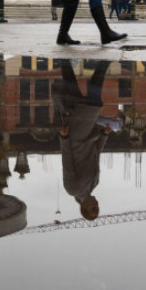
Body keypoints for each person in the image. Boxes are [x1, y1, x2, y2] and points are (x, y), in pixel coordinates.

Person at [54, 59, 113, 220]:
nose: (96, 205)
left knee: (93, 102)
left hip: (77, 136)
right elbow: (96, 152)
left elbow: (67, 162)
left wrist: (64, 138)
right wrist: (105, 135)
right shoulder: (94, 184)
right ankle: (67, 60)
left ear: (84, 208)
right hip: (89, 135)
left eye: (93, 208)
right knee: (75, 89)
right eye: (97, 208)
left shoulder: (72, 189)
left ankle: (102, 65)